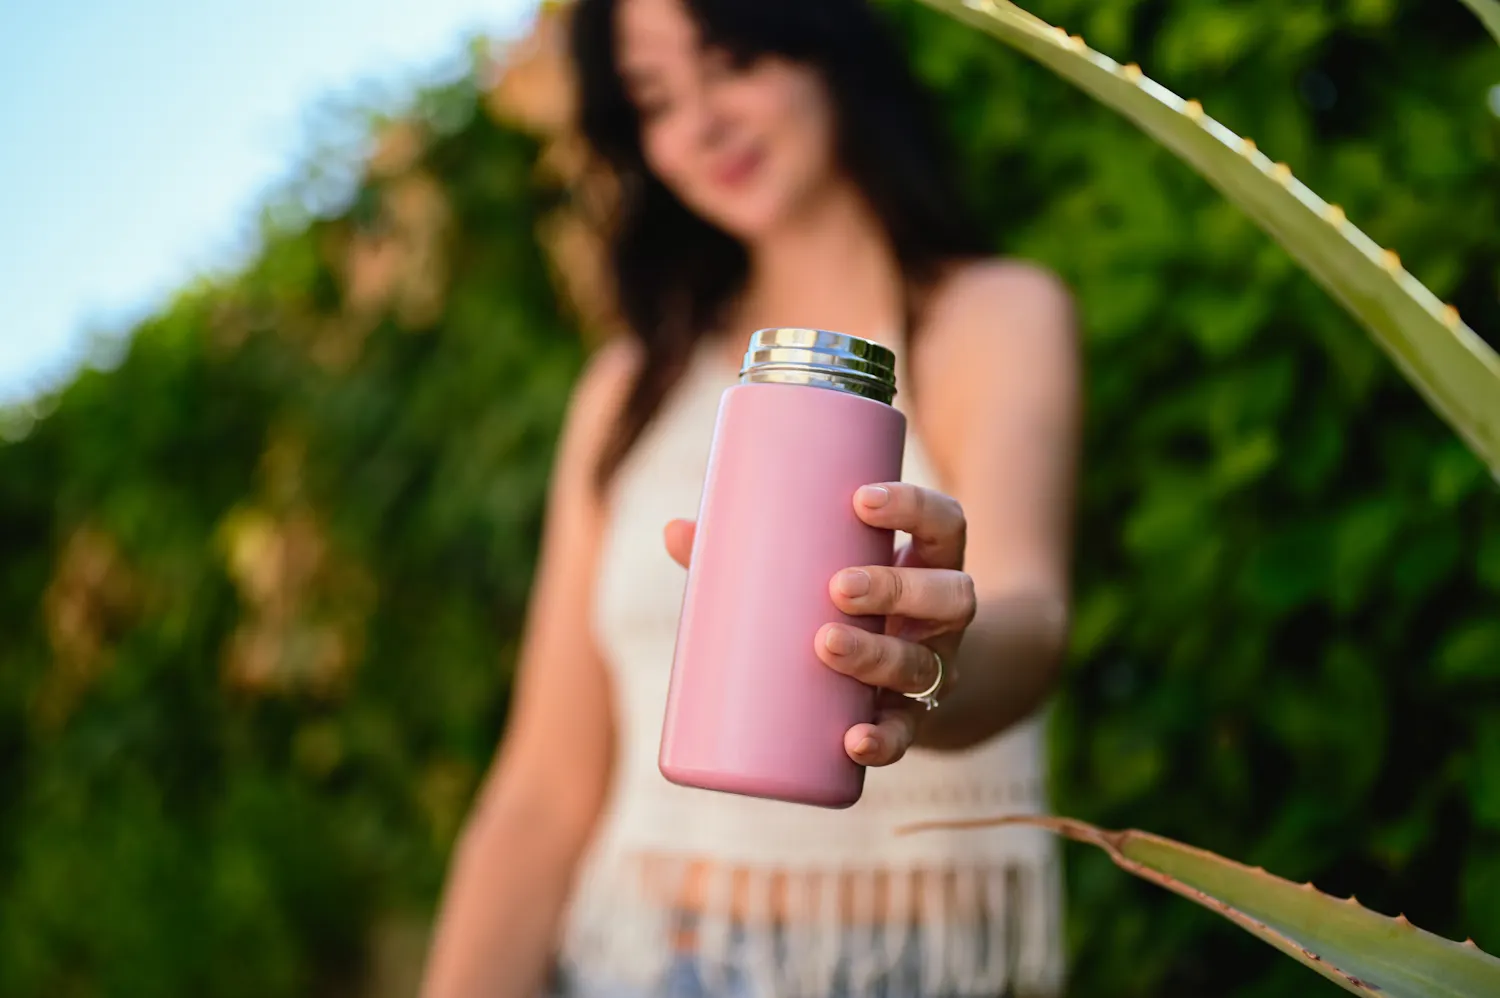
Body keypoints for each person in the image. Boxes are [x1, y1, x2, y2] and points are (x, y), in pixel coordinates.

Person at [419, 0, 1081, 994]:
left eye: (730, 61)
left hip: (899, 963)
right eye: (656, 99)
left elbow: (1031, 618)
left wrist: (928, 662)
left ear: (827, 38)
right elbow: (545, 785)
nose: (702, 125)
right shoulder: (628, 390)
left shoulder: (988, 318)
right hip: (636, 957)